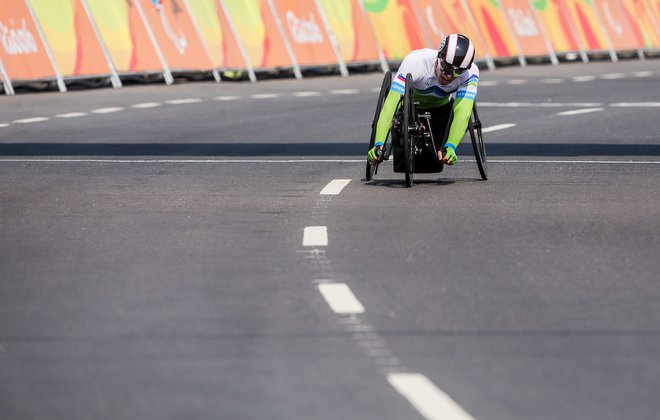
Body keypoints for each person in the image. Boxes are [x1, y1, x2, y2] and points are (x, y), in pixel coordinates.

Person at [368, 34, 479, 167]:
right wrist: (379, 144)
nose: (449, 75)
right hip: (409, 108)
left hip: (441, 111)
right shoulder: (415, 62)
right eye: (446, 67)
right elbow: (390, 106)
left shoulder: (470, 73)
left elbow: (463, 113)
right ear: (439, 57)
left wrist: (451, 147)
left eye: (457, 72)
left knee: (436, 157)